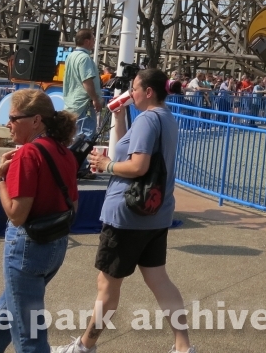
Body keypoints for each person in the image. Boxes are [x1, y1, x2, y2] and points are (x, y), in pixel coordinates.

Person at [55, 68, 191, 353]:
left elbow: (136, 166)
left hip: (127, 215)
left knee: (107, 285)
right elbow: (123, 153)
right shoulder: (166, 118)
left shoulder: (147, 120)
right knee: (159, 280)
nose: (132, 94)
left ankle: (84, 345)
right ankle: (182, 346)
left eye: (135, 89)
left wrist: (107, 167)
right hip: (156, 213)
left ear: (148, 92)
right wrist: (118, 117)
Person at [0, 89, 79, 353]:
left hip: (27, 247)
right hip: (55, 245)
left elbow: (16, 213)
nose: (7, 124)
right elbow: (74, 205)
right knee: (4, 317)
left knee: (28, 335)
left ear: (35, 120)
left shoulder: (28, 155)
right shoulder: (63, 152)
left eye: (13, 118)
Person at [62, 29, 103, 138]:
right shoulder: (84, 58)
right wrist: (95, 99)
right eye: (93, 39)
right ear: (87, 41)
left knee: (72, 138)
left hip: (72, 103)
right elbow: (87, 81)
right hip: (84, 105)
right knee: (84, 139)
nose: (94, 42)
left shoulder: (71, 56)